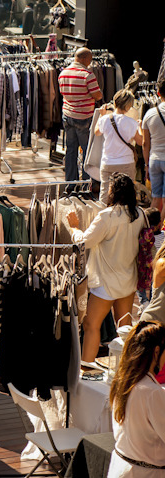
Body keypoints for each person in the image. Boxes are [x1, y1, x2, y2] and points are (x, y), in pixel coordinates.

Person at [68, 173, 145, 369]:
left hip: (105, 282)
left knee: (91, 326)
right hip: (128, 280)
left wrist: (74, 228)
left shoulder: (107, 216)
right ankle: (126, 370)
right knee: (125, 329)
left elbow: (84, 242)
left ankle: (86, 368)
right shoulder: (139, 215)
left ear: (114, 192)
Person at [106, 320, 165, 476]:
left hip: (121, 468)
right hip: (145, 472)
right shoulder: (152, 392)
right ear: (157, 351)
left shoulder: (122, 381)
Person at [59, 47, 104, 184]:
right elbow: (97, 96)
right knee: (86, 150)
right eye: (89, 60)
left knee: (70, 149)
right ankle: (85, 183)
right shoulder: (87, 75)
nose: (90, 63)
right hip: (83, 117)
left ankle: (70, 182)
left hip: (67, 115)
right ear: (84, 59)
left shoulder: (63, 73)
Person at [95, 90, 142, 204]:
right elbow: (140, 142)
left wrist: (101, 115)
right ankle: (126, 220)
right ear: (128, 106)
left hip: (108, 162)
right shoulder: (131, 123)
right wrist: (140, 126)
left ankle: (103, 217)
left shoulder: (104, 119)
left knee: (105, 195)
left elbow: (96, 132)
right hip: (126, 162)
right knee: (127, 196)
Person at [141, 78, 165, 212]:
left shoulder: (149, 113)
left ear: (158, 93)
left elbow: (145, 143)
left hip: (154, 160)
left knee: (155, 198)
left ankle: (152, 229)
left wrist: (146, 165)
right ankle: (161, 228)